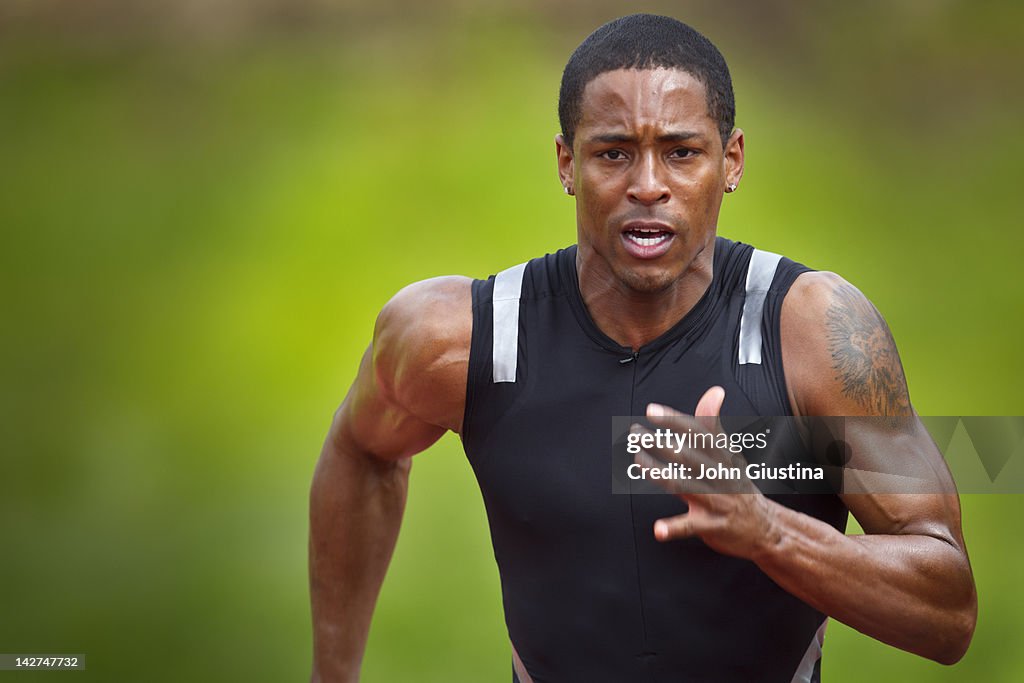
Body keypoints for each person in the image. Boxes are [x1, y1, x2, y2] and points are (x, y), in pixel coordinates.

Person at [309, 14, 976, 683]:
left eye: (682, 152)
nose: (648, 184)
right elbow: (363, 450)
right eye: (614, 152)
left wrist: (768, 529)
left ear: (732, 160)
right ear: (567, 163)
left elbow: (948, 609)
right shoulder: (462, 341)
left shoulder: (812, 334)